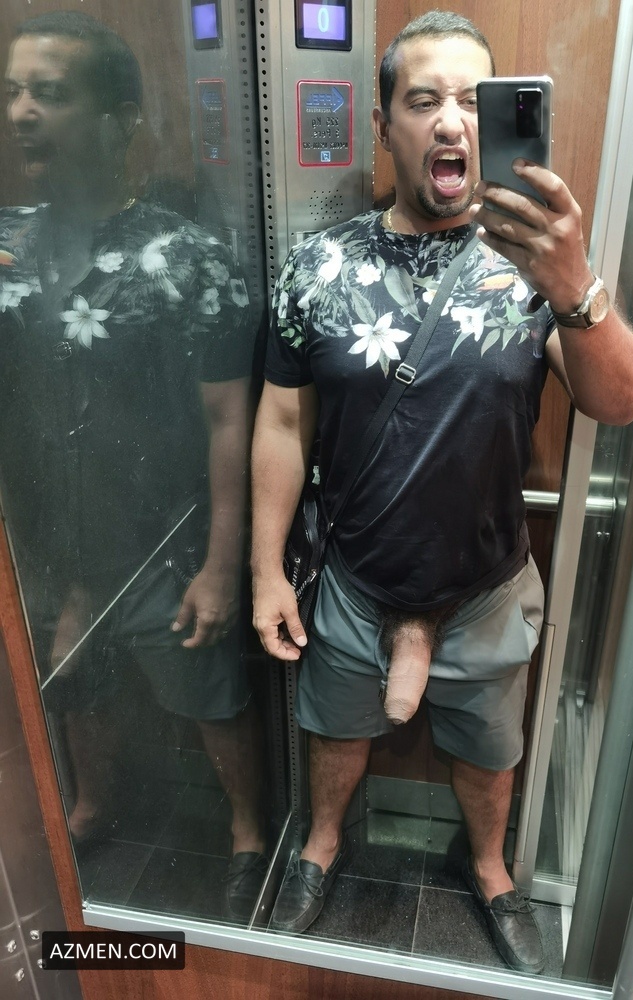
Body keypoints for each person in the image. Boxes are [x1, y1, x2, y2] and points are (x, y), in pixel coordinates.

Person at [251, 10, 633, 973]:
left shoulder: (536, 266)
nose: (451, 121)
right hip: (353, 573)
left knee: (489, 748)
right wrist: (264, 570)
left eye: (473, 101)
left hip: (485, 582)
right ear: (385, 126)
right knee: (333, 729)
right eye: (423, 100)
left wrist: (574, 285)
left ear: (497, 121)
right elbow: (279, 426)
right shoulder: (319, 266)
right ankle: (320, 846)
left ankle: (491, 869)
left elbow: (619, 402)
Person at [0, 12, 266, 923]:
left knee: (206, 690)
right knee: (70, 683)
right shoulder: (6, 245)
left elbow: (231, 421)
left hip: (161, 540)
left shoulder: (186, 260)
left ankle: (247, 831)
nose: (23, 113)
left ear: (118, 120)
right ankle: (90, 805)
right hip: (42, 540)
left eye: (51, 93)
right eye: (13, 92)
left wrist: (221, 567)